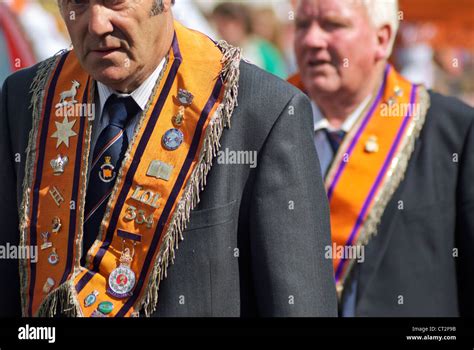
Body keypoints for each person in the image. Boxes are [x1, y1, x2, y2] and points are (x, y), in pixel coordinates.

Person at [0, 0, 337, 317]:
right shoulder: (26, 101)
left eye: (116, 1)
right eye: (77, 3)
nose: (97, 24)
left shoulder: (263, 112)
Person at [290, 0, 474, 316]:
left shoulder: (453, 131)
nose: (312, 39)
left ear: (383, 39)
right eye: (302, 25)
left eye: (333, 25)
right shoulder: (265, 123)